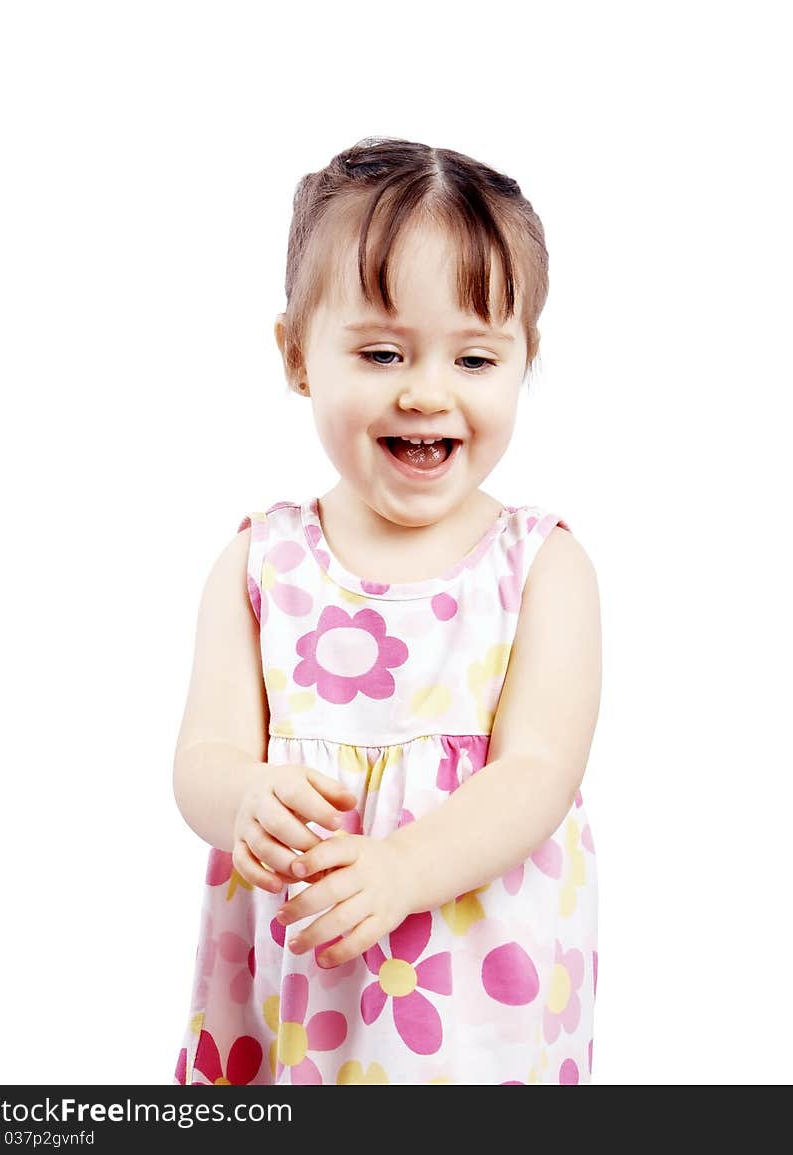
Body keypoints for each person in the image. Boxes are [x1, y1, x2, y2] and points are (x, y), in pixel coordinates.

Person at [172, 136, 602, 1086]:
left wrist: (403, 870)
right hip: (297, 984)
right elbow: (202, 757)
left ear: (525, 357)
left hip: (471, 998)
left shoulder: (542, 566)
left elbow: (538, 770)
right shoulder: (259, 562)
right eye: (380, 350)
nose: (426, 390)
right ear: (296, 356)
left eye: (476, 357)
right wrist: (242, 796)